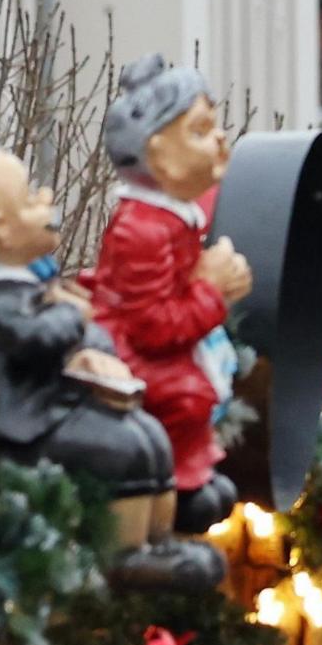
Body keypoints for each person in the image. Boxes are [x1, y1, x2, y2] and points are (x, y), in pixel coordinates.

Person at [0, 148, 185, 562]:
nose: (46, 197)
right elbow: (32, 339)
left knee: (150, 435)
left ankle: (158, 544)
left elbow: (81, 336)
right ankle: (123, 554)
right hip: (7, 434)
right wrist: (71, 315)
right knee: (120, 447)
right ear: (0, 230)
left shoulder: (28, 290)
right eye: (31, 199)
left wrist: (88, 343)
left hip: (44, 414)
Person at [84, 56, 254, 531]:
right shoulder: (143, 228)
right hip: (132, 355)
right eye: (200, 131)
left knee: (203, 388)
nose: (220, 139)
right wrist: (212, 290)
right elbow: (153, 326)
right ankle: (170, 490)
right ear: (157, 154)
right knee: (183, 396)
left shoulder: (173, 218)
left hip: (166, 345)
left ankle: (188, 478)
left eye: (216, 127)